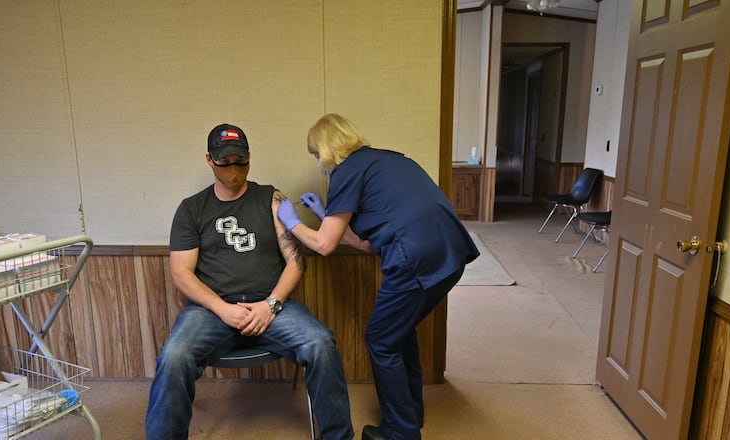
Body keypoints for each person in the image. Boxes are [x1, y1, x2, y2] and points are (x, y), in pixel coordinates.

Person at [277, 114, 480, 440]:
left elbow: (325, 245)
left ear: (327, 149)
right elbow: (368, 243)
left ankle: (400, 433)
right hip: (451, 254)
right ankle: (411, 416)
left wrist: (293, 223)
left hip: (416, 259)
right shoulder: (388, 161)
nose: (318, 163)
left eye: (316, 154)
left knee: (381, 340)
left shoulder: (346, 171)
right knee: (398, 334)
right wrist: (321, 215)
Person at [145, 123, 354, 440]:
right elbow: (181, 273)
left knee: (321, 344)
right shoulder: (191, 209)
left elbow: (296, 262)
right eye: (225, 162)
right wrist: (222, 309)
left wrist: (271, 305)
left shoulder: (271, 198)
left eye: (240, 161)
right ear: (209, 160)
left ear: (249, 158)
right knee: (174, 357)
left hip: (271, 304)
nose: (233, 169)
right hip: (212, 311)